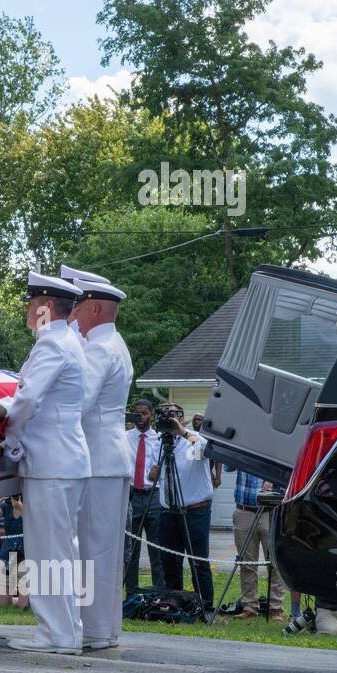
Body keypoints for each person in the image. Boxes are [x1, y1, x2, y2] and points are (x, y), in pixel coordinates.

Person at [1, 272, 90, 654]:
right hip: (65, 458)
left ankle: (55, 634)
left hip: (51, 460)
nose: (26, 308)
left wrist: (10, 441)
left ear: (46, 306)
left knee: (48, 551)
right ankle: (67, 629)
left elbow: (26, 400)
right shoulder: (68, 340)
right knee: (61, 549)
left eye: (30, 301)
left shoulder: (53, 344)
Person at [63, 266, 133, 651]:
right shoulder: (115, 343)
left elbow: (79, 402)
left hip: (97, 459)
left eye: (75, 305)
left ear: (92, 310)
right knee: (104, 551)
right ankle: (103, 629)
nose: (70, 313)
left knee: (92, 549)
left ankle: (93, 630)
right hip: (110, 457)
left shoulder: (97, 349)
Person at [149, 403, 214, 612]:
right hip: (169, 510)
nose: (168, 419)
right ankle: (174, 601)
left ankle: (205, 604)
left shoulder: (193, 439)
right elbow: (154, 475)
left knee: (197, 560)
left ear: (181, 418)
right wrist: (153, 474)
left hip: (195, 510)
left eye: (173, 415)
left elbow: (204, 450)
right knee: (169, 559)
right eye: (164, 415)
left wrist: (182, 432)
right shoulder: (159, 443)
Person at [231, 471, 284, 620]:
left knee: (274, 563)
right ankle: (249, 607)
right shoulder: (243, 449)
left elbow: (287, 475)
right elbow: (228, 466)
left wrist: (275, 480)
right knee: (247, 564)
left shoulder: (275, 450)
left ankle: (276, 609)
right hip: (244, 511)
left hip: (270, 512)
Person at [124, 400, 164, 593]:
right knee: (132, 548)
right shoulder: (124, 438)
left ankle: (159, 592)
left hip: (153, 494)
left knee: (156, 548)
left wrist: (158, 474)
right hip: (132, 495)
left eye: (145, 413)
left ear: (152, 415)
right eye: (137, 414)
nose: (141, 418)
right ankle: (132, 592)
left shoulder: (159, 439)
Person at [0, 494, 27, 607]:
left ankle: (19, 600)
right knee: (1, 604)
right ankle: (15, 599)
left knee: (23, 606)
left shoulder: (30, 506)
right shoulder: (6, 506)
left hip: (26, 557)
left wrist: (20, 506)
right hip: (6, 556)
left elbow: (34, 524)